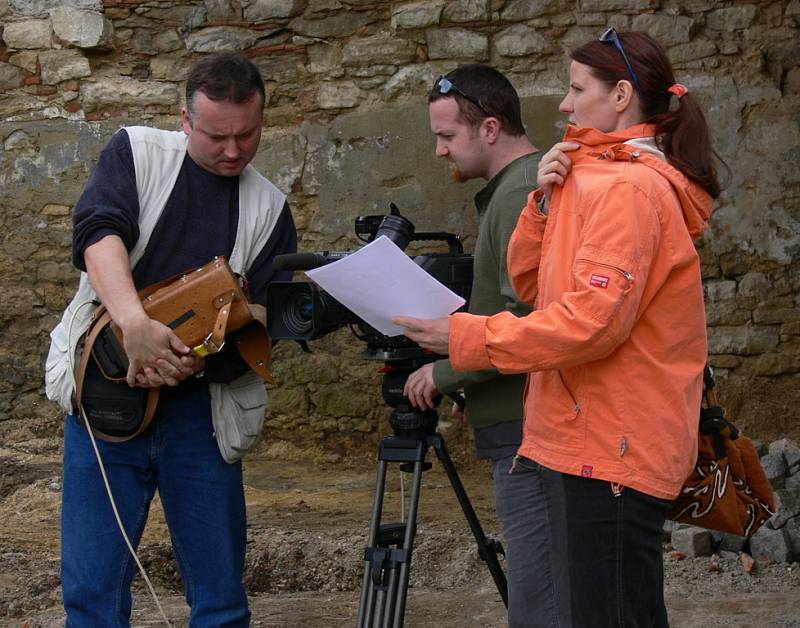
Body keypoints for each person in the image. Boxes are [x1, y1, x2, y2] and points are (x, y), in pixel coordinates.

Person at [395, 29, 726, 627]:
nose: (565, 106)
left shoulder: (628, 188)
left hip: (611, 446)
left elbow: (593, 325)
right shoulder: (594, 175)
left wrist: (466, 339)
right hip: (586, 440)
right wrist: (541, 206)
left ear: (621, 94)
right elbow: (531, 287)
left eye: (576, 89)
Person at [44, 53, 296, 626]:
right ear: (185, 119)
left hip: (201, 419)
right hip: (107, 400)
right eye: (215, 136)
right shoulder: (135, 153)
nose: (233, 151)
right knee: (91, 597)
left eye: (247, 135)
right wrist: (135, 325)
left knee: (221, 601)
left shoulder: (270, 207)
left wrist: (187, 360)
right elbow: (98, 231)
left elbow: (264, 320)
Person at [403, 64, 569, 627]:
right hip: (520, 424)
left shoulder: (523, 191)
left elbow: (528, 318)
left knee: (539, 598)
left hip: (533, 430)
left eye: (447, 136)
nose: (440, 152)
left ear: (491, 128)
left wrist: (447, 371)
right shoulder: (511, 191)